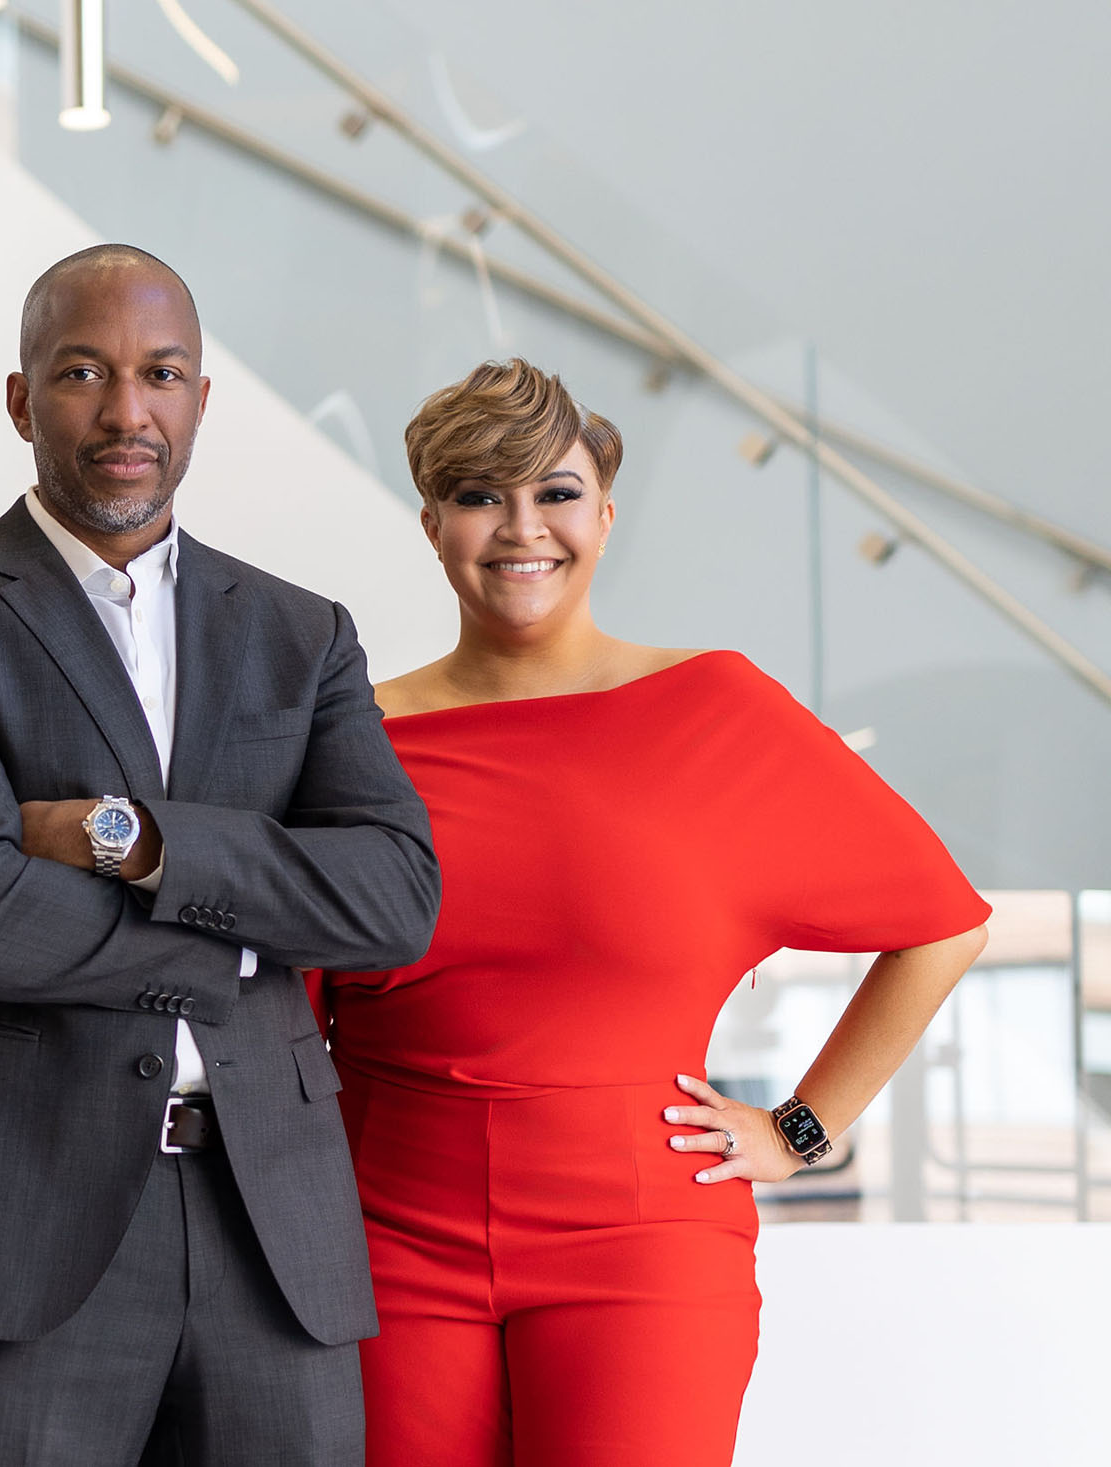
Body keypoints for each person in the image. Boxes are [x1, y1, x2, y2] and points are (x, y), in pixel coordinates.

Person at [314, 358, 991, 1467]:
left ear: (606, 513)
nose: (521, 527)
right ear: (432, 521)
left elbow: (941, 924)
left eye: (556, 493)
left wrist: (800, 1132)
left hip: (642, 1249)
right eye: (482, 495)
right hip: (379, 1240)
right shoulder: (344, 739)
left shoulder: (714, 712)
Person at [0, 244, 441, 1466]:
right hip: (21, 1228)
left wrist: (132, 840)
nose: (126, 411)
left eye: (160, 374)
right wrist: (242, 936)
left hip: (270, 1232)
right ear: (21, 400)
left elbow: (393, 897)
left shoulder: (300, 632)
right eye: (82, 373)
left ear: (202, 400)